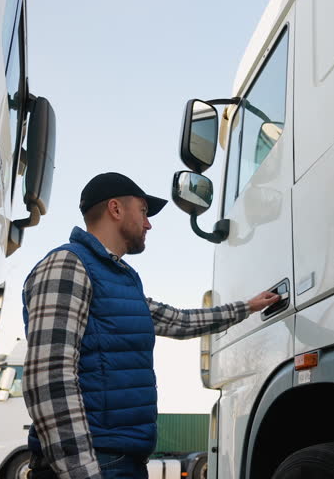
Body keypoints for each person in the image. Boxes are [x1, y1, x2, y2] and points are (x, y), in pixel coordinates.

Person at [22, 172, 280, 479]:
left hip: (124, 462)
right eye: (143, 212)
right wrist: (83, 472)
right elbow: (49, 377)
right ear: (115, 209)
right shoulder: (67, 264)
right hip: (94, 464)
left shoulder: (120, 280)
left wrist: (248, 307)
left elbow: (179, 320)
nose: (148, 224)